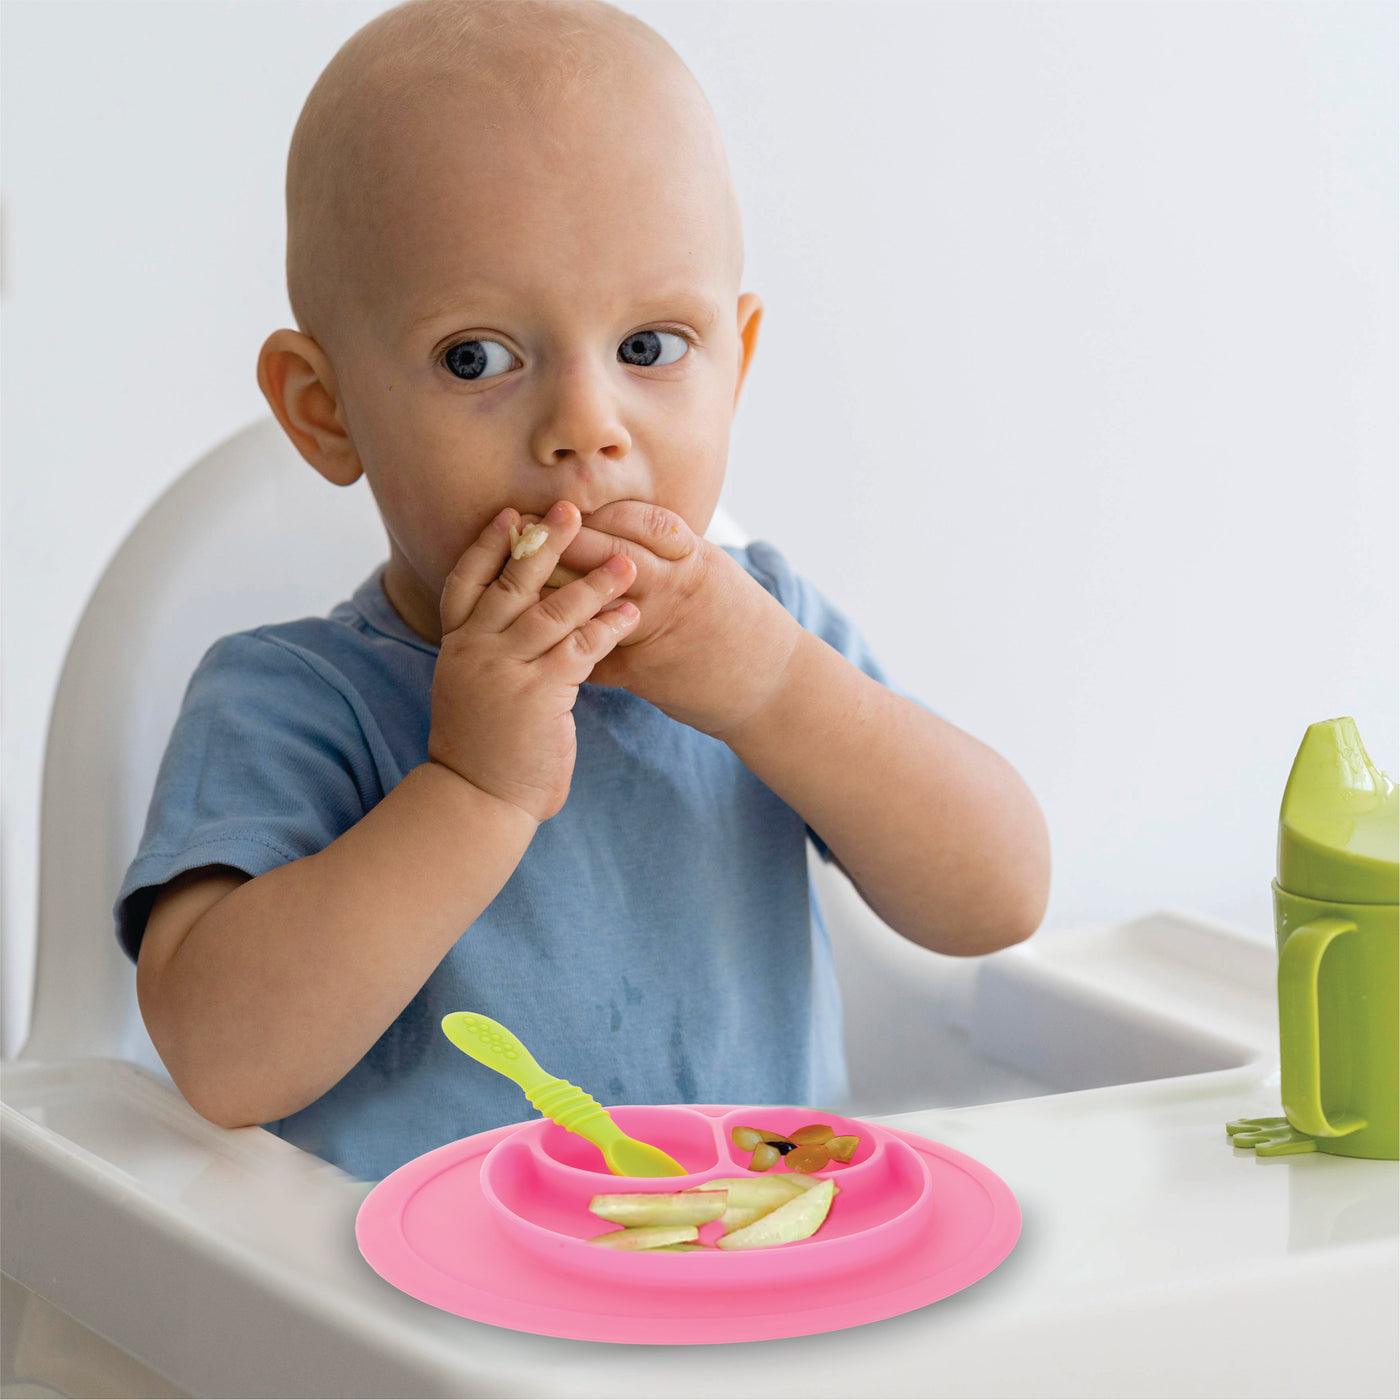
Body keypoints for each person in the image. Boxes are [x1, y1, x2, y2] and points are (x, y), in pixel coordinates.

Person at [114, 0, 1051, 1182]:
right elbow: (221, 1059)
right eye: (476, 358)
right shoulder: (295, 698)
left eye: (652, 347)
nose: (585, 429)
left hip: (753, 1288)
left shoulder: (764, 636)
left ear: (736, 364)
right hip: (419, 1336)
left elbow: (998, 897)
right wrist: (471, 785)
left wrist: (771, 686)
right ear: (326, 407)